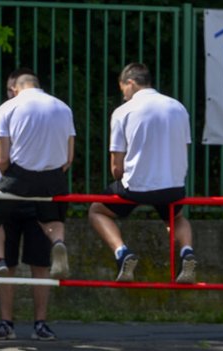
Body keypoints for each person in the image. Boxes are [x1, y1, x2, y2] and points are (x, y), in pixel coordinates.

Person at [87, 63, 195, 284]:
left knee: (96, 210)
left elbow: (116, 167)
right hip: (173, 185)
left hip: (136, 186)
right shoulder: (178, 107)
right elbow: (185, 149)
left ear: (130, 83)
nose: (124, 96)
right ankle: (187, 252)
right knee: (175, 217)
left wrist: (123, 176)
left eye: (123, 90)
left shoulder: (123, 111)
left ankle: (122, 253)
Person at [0, 73, 75, 297]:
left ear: (16, 88)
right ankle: (58, 242)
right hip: (54, 176)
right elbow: (69, 156)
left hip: (19, 176)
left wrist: (6, 180)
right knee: (53, 219)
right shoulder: (63, 108)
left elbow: (1, 159)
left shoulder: (8, 108)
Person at [0, 67, 56, 341]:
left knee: (41, 264)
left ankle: (40, 323)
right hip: (8, 196)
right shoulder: (1, 115)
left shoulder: (46, 115)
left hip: (35, 196)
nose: (12, 93)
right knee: (6, 264)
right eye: (9, 89)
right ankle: (6, 323)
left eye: (15, 88)